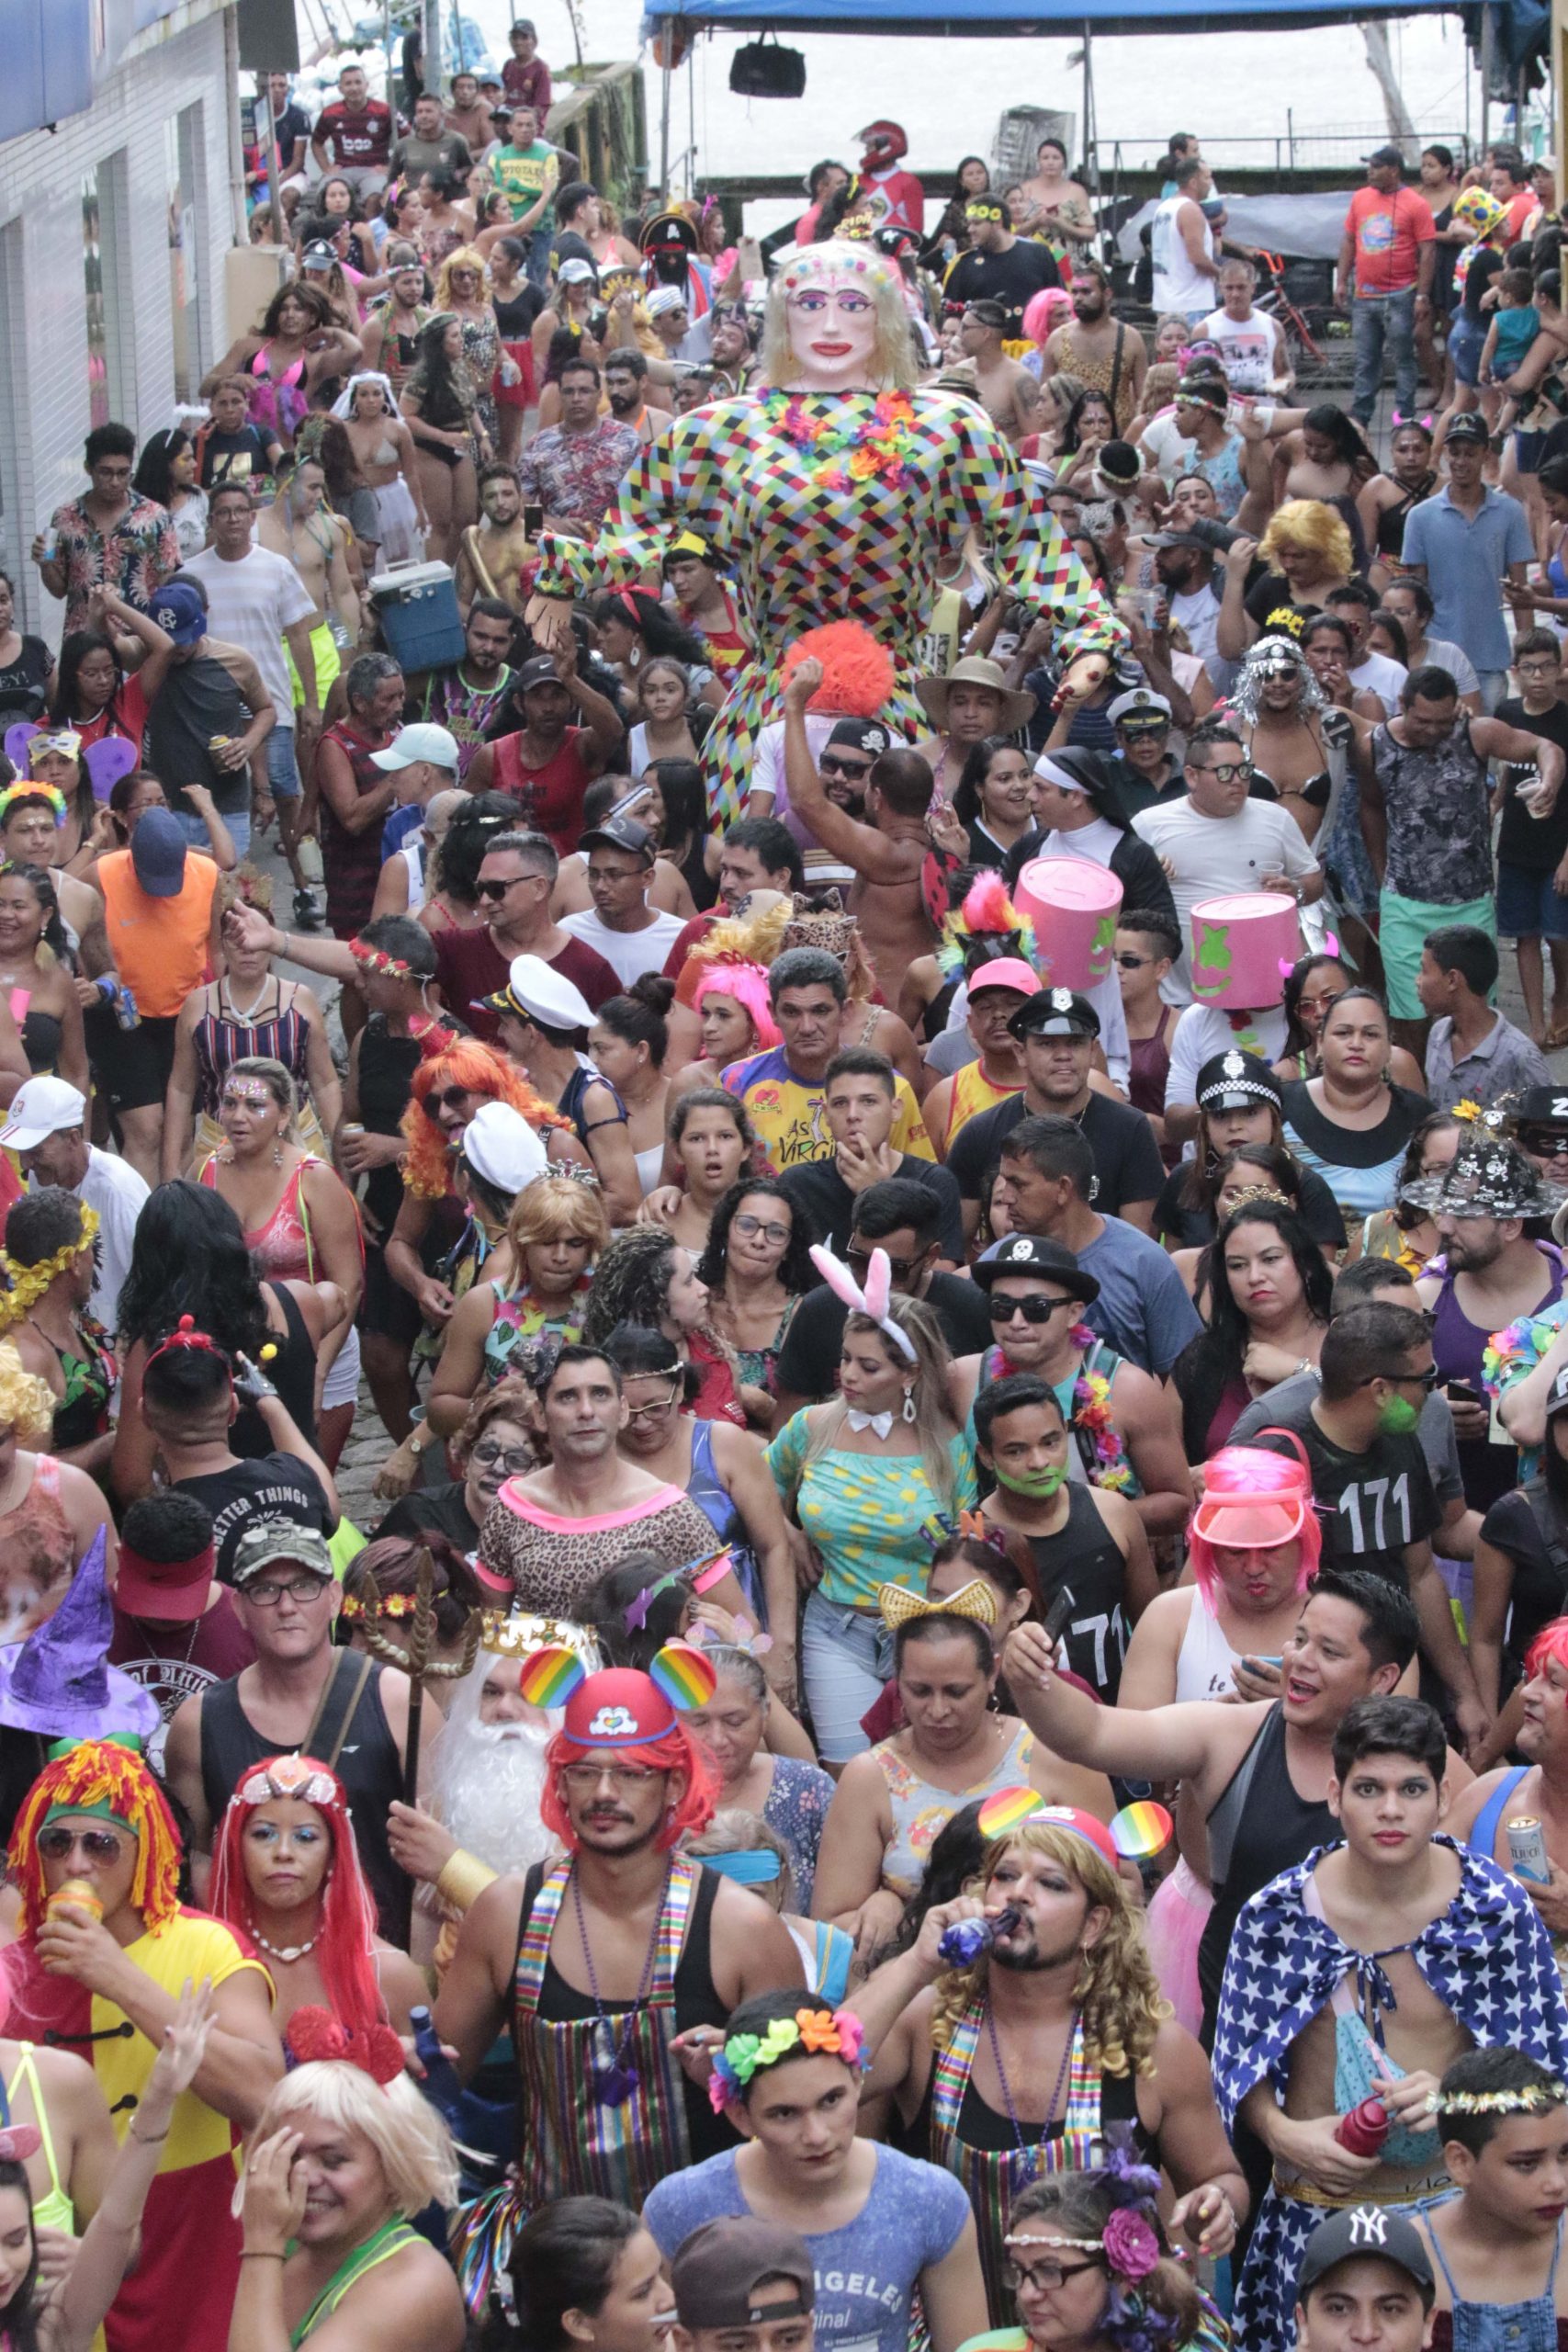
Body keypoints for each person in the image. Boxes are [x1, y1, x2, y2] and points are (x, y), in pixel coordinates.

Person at [523, 239, 1122, 833]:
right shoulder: (720, 429)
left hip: (895, 710)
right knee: (754, 886)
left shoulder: (947, 426)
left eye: (853, 304)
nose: (831, 321)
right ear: (783, 319)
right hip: (766, 712)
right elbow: (631, 538)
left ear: (884, 317)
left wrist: (1090, 633)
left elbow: (1030, 545)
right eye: (810, 303)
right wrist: (558, 576)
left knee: (902, 888)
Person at [1216, 1695, 1568, 2350]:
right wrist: (1282, 2134)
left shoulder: (1493, 1910)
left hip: (1452, 2225)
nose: (1388, 1810)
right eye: (1367, 1788)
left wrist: (1458, 2102)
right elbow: (1236, 2065)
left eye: (1410, 1789)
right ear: (1333, 1794)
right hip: (1309, 2217)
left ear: (1440, 1798)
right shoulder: (1273, 1917)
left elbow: (1542, 2075)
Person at [435, 1658, 802, 2281]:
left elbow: (802, 2105)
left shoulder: (741, 1928)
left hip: (707, 2262)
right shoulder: (505, 1913)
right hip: (554, 2266)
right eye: (585, 1772)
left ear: (674, 1784)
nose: (604, 1794)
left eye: (632, 1773)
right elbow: (437, 2086)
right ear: (560, 1784)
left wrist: (736, 2073)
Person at [849, 1804, 1245, 2325]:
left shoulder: (1154, 2048)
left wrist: (1217, 2205)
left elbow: (1222, 2175)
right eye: (1005, 1877)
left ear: (1094, 1924)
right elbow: (812, 2070)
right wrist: (917, 1965)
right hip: (966, 2335)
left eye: (1052, 1884)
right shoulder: (927, 2021)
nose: (1017, 1893)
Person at [2, 1740, 282, 2352]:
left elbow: (265, 2094)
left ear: (145, 1848)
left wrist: (118, 1977)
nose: (77, 1864)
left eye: (101, 1844)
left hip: (195, 2241)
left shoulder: (209, 1946)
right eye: (57, 1843)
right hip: (56, 2277)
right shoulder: (12, 1968)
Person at [645, 1988, 987, 2352]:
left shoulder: (928, 2199)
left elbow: (969, 2345)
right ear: (740, 2116)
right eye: (785, 2113)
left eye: (830, 2101)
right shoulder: (680, 2207)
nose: (816, 2135)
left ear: (858, 2081)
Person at [811, 1589, 1114, 1956]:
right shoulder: (871, 1777)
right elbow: (831, 1925)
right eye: (920, 1691)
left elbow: (1118, 1885)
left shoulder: (1051, 1754)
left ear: (992, 1676)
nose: (937, 1710)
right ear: (896, 1683)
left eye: (956, 1692)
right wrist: (885, 1908)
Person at [765, 1250, 975, 1761]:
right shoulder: (812, 1427)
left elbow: (972, 1545)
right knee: (849, 1775)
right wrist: (788, 1536)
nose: (848, 1375)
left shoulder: (947, 1446)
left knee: (926, 1771)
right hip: (835, 1629)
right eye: (845, 1359)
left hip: (927, 1639)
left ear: (909, 1373)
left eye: (868, 1365)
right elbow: (756, 1492)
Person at [163, 1520, 421, 1935]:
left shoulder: (395, 1700)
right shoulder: (199, 1722)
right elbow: (192, 1857)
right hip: (254, 1966)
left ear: (334, 1597)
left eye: (305, 1586)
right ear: (239, 1608)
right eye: (265, 1590)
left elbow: (432, 1852)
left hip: (375, 1956)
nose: (287, 1606)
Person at [953, 1234, 1191, 1538]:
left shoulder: (1128, 1388)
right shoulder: (963, 1378)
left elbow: (1179, 1503)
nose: (1016, 1321)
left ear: (1074, 1312)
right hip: (996, 1572)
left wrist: (1070, 1523)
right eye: (1001, 1306)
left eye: (1036, 1307)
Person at [475, 1343, 739, 1617]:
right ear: (540, 1415)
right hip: (540, 1660)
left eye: (600, 1394)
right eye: (567, 1397)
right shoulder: (512, 1509)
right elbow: (487, 1630)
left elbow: (741, 1627)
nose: (586, 1411)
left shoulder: (672, 1513)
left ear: (622, 1410)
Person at [230, 2054, 464, 2352]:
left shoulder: (416, 2284)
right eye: (291, 2155)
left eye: (333, 2160)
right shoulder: (291, 2243)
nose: (305, 2176)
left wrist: (261, 2245)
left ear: (394, 2169)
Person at [194, 1057, 361, 1464]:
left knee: (310, 1480)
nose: (238, 1117)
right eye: (229, 1103)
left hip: (318, 1344)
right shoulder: (207, 1171)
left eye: (255, 1106)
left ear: (285, 1114)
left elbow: (349, 1285)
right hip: (237, 1350)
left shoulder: (314, 1179)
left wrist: (316, 1370)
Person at [208, 1751, 424, 2043]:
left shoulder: (388, 1973)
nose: (283, 1852)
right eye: (263, 1834)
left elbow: (433, 2085)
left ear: (335, 1855)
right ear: (236, 1847)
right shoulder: (202, 1965)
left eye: (306, 1837)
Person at [983, 1118, 1201, 1377]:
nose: (1006, 1198)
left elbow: (1185, 1378)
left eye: (1018, 1184)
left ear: (1063, 1189)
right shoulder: (997, 1262)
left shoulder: (1143, 1261)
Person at [947, 994, 1164, 1242]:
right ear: (1020, 1052)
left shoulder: (1130, 1130)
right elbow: (953, 1245)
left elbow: (1138, 1244)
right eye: (1047, 1044)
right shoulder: (981, 1132)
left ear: (1093, 1051)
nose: (1063, 1055)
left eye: (1075, 1043)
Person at [1132, 719, 1321, 1001]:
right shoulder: (1150, 824)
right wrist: (1149, 876)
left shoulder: (1275, 818)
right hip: (1182, 993)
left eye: (1244, 770)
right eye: (1224, 772)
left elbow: (1314, 879)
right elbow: (1123, 896)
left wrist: (1296, 890)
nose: (1237, 780)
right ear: (1191, 776)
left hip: (1265, 985)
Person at [425, 1170, 608, 1430]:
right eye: (546, 1242)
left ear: (591, 1245)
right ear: (522, 1243)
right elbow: (440, 1408)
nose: (560, 1255)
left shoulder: (607, 1301)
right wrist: (495, 1409)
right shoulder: (485, 1303)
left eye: (575, 1243)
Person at [722, 948, 932, 1174]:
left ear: (845, 1011)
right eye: (792, 1012)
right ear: (772, 1012)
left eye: (820, 1011)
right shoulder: (736, 1082)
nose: (807, 1027)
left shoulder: (891, 1087)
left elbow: (920, 1183)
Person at [1414, 2050, 1568, 2346]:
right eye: (1527, 2163)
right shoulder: (1397, 2254)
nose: (1557, 2184)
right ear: (1460, 2162)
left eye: (1565, 2155)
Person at [680, 1644, 834, 1903]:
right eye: (699, 1722)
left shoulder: (807, 1787)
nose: (717, 1739)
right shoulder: (653, 1793)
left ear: (764, 1716)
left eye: (734, 1722)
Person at [1279, 989, 1435, 1240]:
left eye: (1371, 1034)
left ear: (1388, 1049)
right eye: (1343, 1033)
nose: (1356, 1044)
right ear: (1320, 1043)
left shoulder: (1420, 1119)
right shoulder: (1279, 1108)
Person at [1401, 417, 1533, 712]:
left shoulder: (1509, 512)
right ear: (1445, 454)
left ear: (1486, 455)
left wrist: (1527, 650)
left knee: (1485, 744)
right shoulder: (1420, 517)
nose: (1461, 461)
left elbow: (1520, 590)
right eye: (1455, 452)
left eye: (1470, 453)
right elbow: (1415, 593)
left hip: (1490, 653)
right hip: (1436, 652)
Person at [687, 1178, 814, 1434]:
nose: (759, 1240)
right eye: (747, 1225)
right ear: (725, 1231)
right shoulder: (692, 1301)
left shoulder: (804, 1315)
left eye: (776, 1232)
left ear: (790, 1248)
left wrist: (761, 1404)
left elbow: (809, 1427)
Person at [467, 653, 625, 857]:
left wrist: (570, 679)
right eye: (537, 696)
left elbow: (613, 730)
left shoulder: (582, 745)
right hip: (511, 873)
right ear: (518, 703)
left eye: (557, 695)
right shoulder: (491, 756)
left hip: (572, 871)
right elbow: (470, 817)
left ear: (572, 701)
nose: (548, 707)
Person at [32, 424, 179, 637]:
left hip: (140, 640)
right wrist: (46, 564)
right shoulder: (65, 518)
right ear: (88, 468)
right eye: (105, 473)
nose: (115, 482)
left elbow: (167, 582)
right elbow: (58, 590)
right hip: (85, 644)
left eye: (123, 473)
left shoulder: (155, 516)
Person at [1337, 147, 1436, 427]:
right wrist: (1341, 280)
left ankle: (1405, 417)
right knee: (1365, 360)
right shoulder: (1360, 198)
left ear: (1393, 170)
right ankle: (1360, 417)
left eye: (1376, 166)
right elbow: (1348, 240)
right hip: (1364, 295)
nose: (1370, 171)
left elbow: (1427, 252)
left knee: (1403, 357)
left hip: (1401, 294)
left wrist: (1422, 296)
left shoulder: (1415, 204)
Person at [1419, 924, 1553, 1113]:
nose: (1418, 981)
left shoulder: (1521, 1056)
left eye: (1424, 971)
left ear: (1452, 980)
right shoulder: (1438, 1034)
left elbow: (1551, 1122)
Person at [561, 816, 688, 990]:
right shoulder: (569, 934)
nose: (600, 886)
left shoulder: (679, 938)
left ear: (647, 878)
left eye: (615, 875)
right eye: (594, 874)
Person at [1036, 261, 1146, 435]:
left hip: (1118, 441)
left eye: (1086, 292)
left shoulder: (1130, 338)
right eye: (1075, 292)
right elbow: (1045, 399)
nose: (1078, 298)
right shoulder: (1057, 339)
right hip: (1069, 441)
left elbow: (1144, 400)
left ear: (1107, 294)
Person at [942, 201, 1060, 344]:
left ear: (997, 222)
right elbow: (952, 317)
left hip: (1035, 352)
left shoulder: (1039, 254)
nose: (970, 229)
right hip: (985, 355)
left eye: (977, 223)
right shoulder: (964, 264)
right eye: (970, 224)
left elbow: (1058, 304)